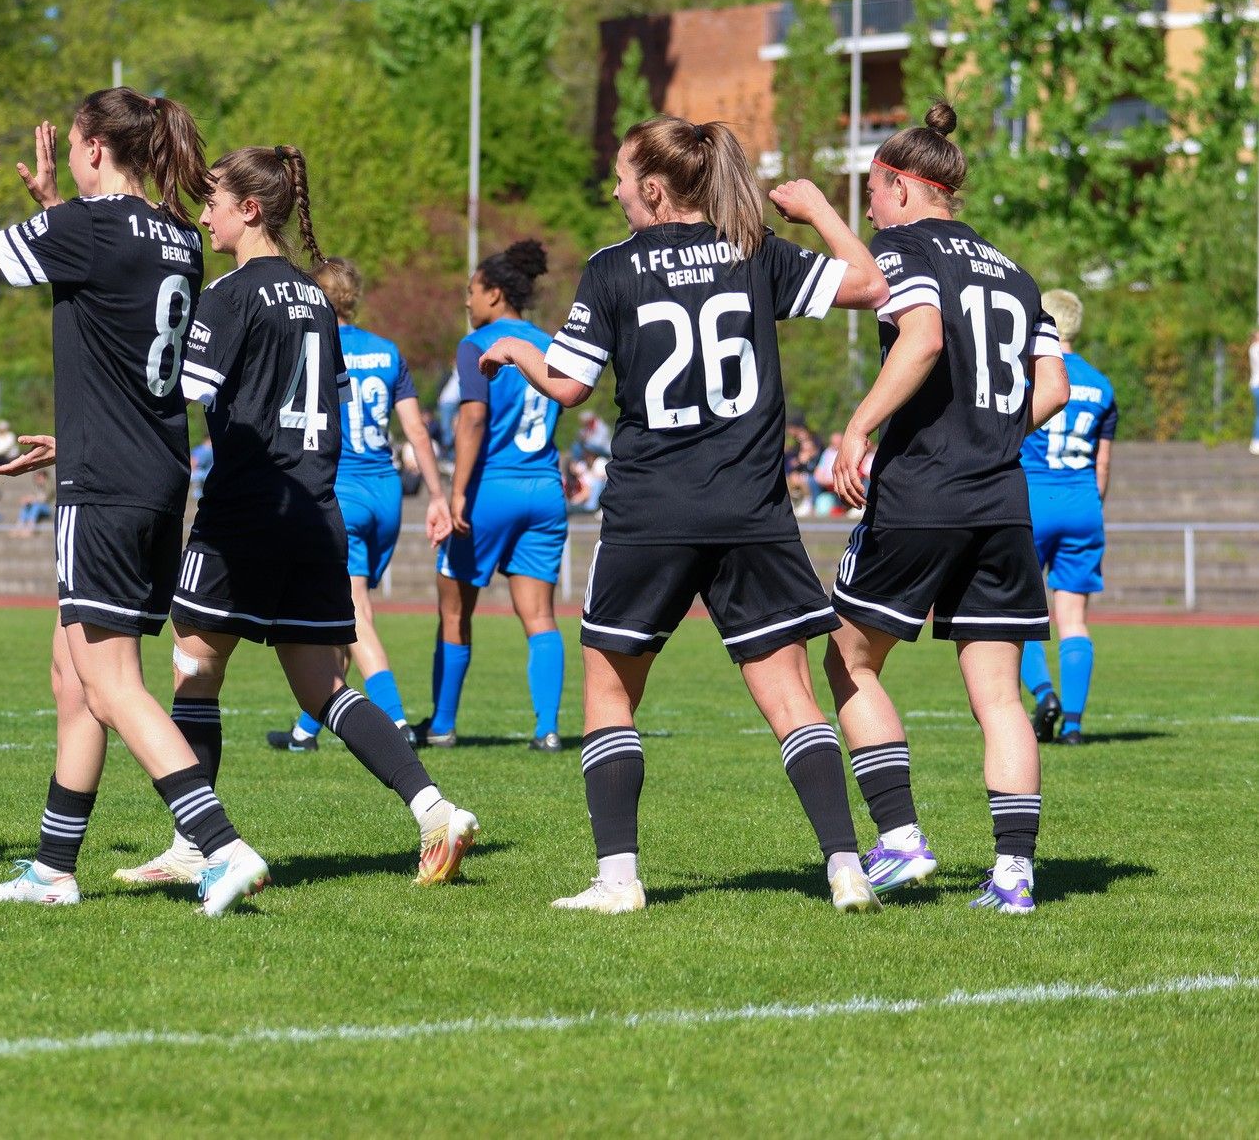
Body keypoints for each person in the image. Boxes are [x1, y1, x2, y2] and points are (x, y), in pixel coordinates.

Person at [483, 117, 889, 914]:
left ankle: (618, 879)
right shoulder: (752, 250)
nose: (614, 189)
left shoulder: (611, 269)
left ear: (655, 189)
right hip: (752, 510)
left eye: (622, 176)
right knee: (789, 698)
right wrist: (818, 211)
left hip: (650, 511)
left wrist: (516, 347)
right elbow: (870, 282)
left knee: (607, 687)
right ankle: (845, 864)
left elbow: (566, 385)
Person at [0, 91, 267, 916]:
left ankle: (219, 846)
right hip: (152, 473)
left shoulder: (87, 229)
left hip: (107, 486)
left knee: (113, 682)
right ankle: (52, 867)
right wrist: (56, 207)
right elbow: (112, 310)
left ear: (89, 147)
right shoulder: (181, 236)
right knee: (71, 674)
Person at [119, 145, 477, 888]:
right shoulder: (317, 299)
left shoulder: (231, 293)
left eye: (214, 198)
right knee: (322, 686)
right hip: (318, 510)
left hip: (246, 511)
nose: (206, 211)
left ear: (251, 209)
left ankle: (195, 843)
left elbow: (182, 391)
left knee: (193, 667)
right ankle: (434, 808)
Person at [820, 101, 1069, 915]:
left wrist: (860, 425)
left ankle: (898, 837)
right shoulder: (1014, 270)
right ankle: (1014, 876)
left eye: (869, 192)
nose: (867, 209)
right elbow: (1054, 389)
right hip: (1001, 499)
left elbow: (922, 338)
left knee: (848, 658)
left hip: (924, 489)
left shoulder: (902, 247)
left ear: (899, 185)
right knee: (997, 692)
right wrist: (992, 428)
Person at [267, 255, 453, 751]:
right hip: (387, 493)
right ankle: (306, 729)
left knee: (354, 613)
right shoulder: (388, 351)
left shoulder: (312, 346)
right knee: (344, 611)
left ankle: (393, 720)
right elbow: (415, 430)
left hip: (341, 492)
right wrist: (437, 494)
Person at [420, 240, 568, 750]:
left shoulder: (478, 342)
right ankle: (547, 728)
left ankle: (441, 725)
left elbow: (474, 416)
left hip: (491, 489)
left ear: (495, 293)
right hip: (544, 487)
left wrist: (457, 493)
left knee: (455, 612)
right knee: (541, 616)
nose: (467, 302)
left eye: (471, 291)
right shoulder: (550, 343)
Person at [1018, 289, 1117, 745]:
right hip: (1083, 504)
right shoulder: (1102, 385)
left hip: (1033, 500)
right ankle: (1074, 726)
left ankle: (1044, 695)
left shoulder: (1027, 374)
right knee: (1073, 619)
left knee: (1016, 614)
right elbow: (1102, 469)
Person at [14, 471, 52, 535]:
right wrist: (27, 500)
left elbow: (44, 499)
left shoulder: (49, 486)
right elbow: (33, 497)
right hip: (40, 506)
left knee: (36, 506)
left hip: (50, 508)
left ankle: (30, 528)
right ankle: (19, 526)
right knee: (27, 505)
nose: (37, 479)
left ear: (45, 477)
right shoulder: (37, 487)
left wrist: (31, 499)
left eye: (39, 477)